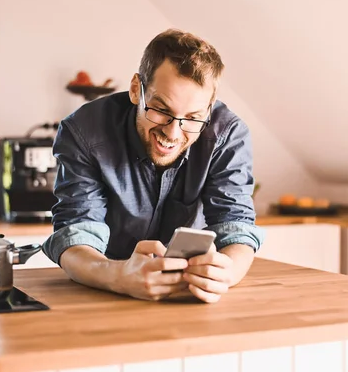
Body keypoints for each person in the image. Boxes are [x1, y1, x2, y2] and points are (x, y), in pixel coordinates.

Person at [42, 29, 264, 303]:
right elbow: (76, 235)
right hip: (104, 290)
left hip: (189, 297)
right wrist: (118, 276)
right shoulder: (84, 131)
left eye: (193, 117)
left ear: (209, 108)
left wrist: (226, 274)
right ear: (137, 89)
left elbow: (237, 228)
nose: (173, 133)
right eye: (161, 110)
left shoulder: (227, 134)